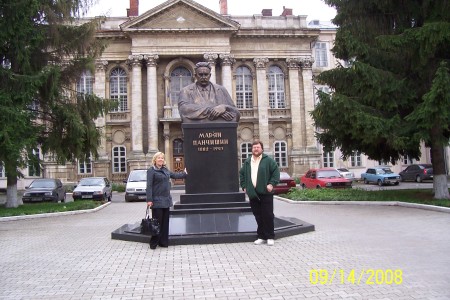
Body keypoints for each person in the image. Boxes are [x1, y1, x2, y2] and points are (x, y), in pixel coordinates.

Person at [239, 140, 280, 246]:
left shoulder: (268, 161)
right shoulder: (248, 161)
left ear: (262, 149)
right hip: (253, 193)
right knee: (258, 215)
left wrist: (271, 184)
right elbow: (242, 174)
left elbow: (276, 173)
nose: (256, 149)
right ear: (251, 149)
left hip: (266, 192)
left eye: (258, 147)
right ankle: (261, 236)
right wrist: (244, 186)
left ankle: (270, 236)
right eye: (254, 147)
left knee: (268, 215)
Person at [146, 152, 187, 250]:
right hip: (156, 201)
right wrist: (149, 199)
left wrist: (184, 174)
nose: (160, 159)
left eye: (162, 158)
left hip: (166, 200)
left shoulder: (165, 170)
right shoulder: (151, 171)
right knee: (157, 223)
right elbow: (149, 186)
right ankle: (153, 243)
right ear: (155, 160)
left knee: (165, 223)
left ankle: (163, 242)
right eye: (158, 158)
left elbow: (174, 175)